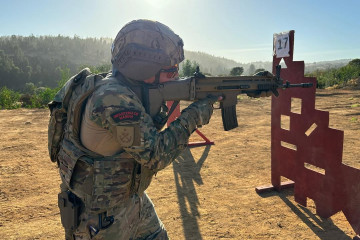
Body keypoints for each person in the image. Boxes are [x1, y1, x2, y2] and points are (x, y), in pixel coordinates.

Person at [55, 19, 218, 239]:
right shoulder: (113, 98)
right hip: (100, 215)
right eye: (171, 71)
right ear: (142, 67)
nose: (176, 77)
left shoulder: (115, 85)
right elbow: (155, 155)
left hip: (126, 196)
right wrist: (194, 116)